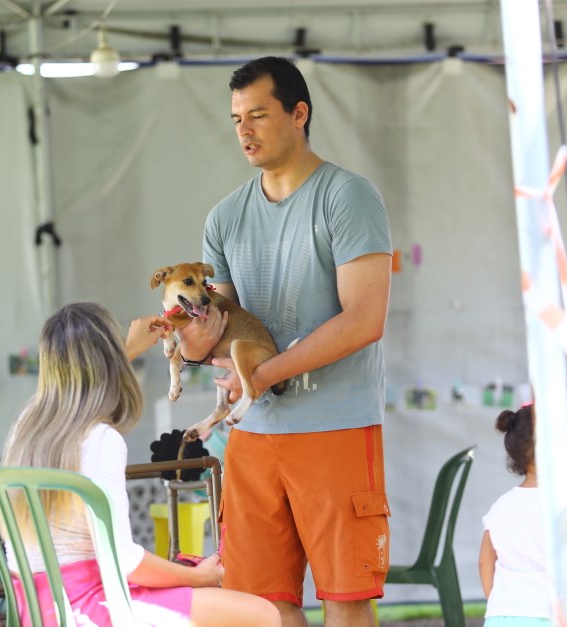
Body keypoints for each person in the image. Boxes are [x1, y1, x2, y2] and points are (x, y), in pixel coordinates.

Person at [178, 56, 393, 626]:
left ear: (299, 114)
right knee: (261, 603)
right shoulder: (223, 217)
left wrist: (264, 375)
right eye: (235, 119)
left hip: (336, 426)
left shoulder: (349, 197)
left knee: (345, 596)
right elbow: (223, 331)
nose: (243, 130)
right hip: (251, 435)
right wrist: (191, 340)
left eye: (258, 115)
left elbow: (366, 318)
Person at [0, 302, 280, 627]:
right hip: (94, 605)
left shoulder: (27, 425)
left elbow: (78, 381)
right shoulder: (100, 439)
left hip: (37, 608)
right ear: (110, 360)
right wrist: (197, 577)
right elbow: (123, 560)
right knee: (263, 615)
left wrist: (124, 348)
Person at [478, 404, 567, 626]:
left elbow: (485, 562)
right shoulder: (565, 507)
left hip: (502, 616)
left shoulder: (500, 507)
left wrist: (498, 604)